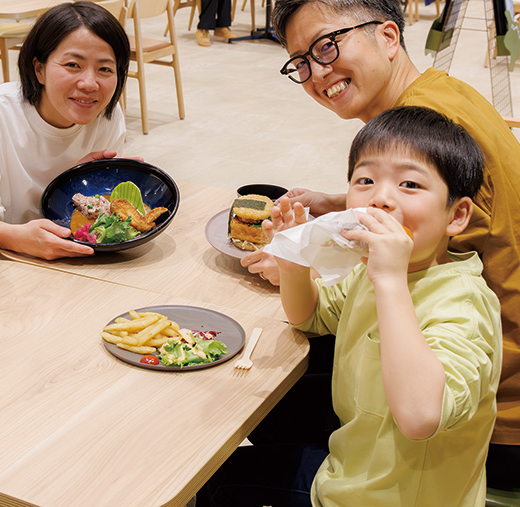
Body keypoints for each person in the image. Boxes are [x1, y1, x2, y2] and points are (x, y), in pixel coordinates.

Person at [244, 0, 520, 491]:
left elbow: (413, 264)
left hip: (510, 418)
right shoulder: (438, 98)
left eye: (326, 47)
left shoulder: (439, 123)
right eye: (301, 62)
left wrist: (306, 249)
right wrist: (334, 204)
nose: (316, 75)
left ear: (388, 36)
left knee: (264, 396)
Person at [199, 105, 501, 506]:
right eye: (365, 179)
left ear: (457, 215)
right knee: (238, 419)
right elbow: (313, 316)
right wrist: (294, 269)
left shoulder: (463, 305)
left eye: (410, 184)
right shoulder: (370, 268)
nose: (381, 198)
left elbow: (421, 417)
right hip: (355, 464)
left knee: (217, 483)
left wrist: (390, 280)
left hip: (387, 497)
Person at [0, 2, 131, 261]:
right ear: (39, 69)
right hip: (1, 264)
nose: (89, 83)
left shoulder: (108, 116)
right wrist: (17, 237)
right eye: (73, 65)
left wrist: (73, 185)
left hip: (77, 262)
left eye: (105, 69)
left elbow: (95, 220)